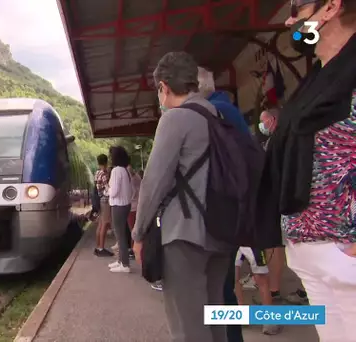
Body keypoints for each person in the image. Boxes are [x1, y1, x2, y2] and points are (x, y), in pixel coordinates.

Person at [258, 0, 356, 340]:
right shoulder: (317, 77)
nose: (289, 21)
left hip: (345, 253)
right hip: (309, 249)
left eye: (298, 10)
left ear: (330, 7)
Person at [132, 51, 231, 342]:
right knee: (215, 322)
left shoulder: (175, 119)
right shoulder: (218, 115)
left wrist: (139, 233)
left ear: (163, 87)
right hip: (221, 232)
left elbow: (154, 182)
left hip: (185, 235)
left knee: (188, 328)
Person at [197, 66, 251, 342]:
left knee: (216, 288)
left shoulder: (210, 113)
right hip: (232, 209)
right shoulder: (227, 110)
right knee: (224, 286)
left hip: (217, 212)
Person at [259, 108, 310, 305]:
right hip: (289, 203)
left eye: (264, 122)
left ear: (272, 120)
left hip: (282, 204)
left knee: (281, 246)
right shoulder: (291, 138)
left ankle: (276, 291)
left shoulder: (280, 141)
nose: (262, 126)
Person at [233, 247, 280, 335]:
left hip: (233, 239)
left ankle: (241, 314)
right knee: (262, 280)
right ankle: (269, 321)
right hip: (252, 241)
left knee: (235, 276)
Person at [107, 146, 133, 273]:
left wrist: (107, 190)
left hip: (118, 205)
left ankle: (125, 264)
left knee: (120, 235)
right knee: (121, 234)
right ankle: (121, 261)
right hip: (125, 205)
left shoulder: (116, 171)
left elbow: (114, 191)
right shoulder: (125, 170)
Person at [112, 164, 139, 260]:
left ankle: (133, 251)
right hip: (134, 206)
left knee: (132, 230)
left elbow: (133, 191)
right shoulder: (136, 178)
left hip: (133, 206)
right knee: (131, 229)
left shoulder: (132, 179)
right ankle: (132, 250)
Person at [93, 154, 113, 257]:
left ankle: (97, 247)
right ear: (106, 162)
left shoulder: (97, 173)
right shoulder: (104, 174)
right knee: (105, 224)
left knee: (100, 224)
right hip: (105, 200)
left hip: (100, 200)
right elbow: (107, 189)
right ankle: (101, 248)